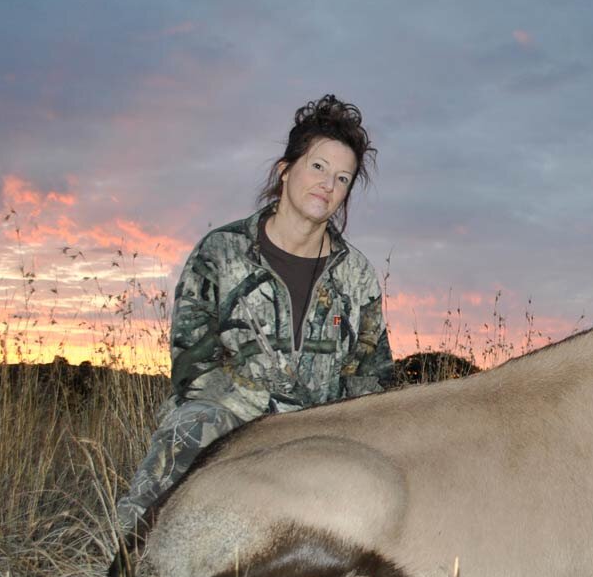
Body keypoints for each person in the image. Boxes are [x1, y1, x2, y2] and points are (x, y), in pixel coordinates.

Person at [116, 94, 394, 535]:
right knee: (188, 430)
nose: (328, 184)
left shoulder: (357, 275)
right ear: (285, 170)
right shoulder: (221, 252)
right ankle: (127, 559)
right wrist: (261, 423)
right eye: (318, 167)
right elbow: (193, 367)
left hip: (321, 433)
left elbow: (372, 375)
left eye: (343, 178)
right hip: (231, 421)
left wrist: (330, 430)